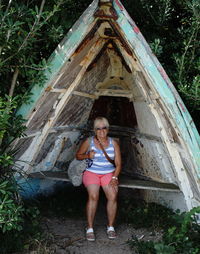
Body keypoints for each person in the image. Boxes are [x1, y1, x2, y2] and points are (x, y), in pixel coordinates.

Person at [76, 117, 121, 241]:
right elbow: (78, 156)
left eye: (104, 128)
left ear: (108, 129)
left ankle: (110, 227)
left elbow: (118, 164)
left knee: (112, 195)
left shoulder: (114, 143)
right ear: (94, 130)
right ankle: (89, 228)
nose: (101, 131)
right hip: (91, 173)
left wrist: (114, 177)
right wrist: (87, 155)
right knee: (93, 196)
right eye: (98, 128)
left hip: (108, 173)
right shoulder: (89, 141)